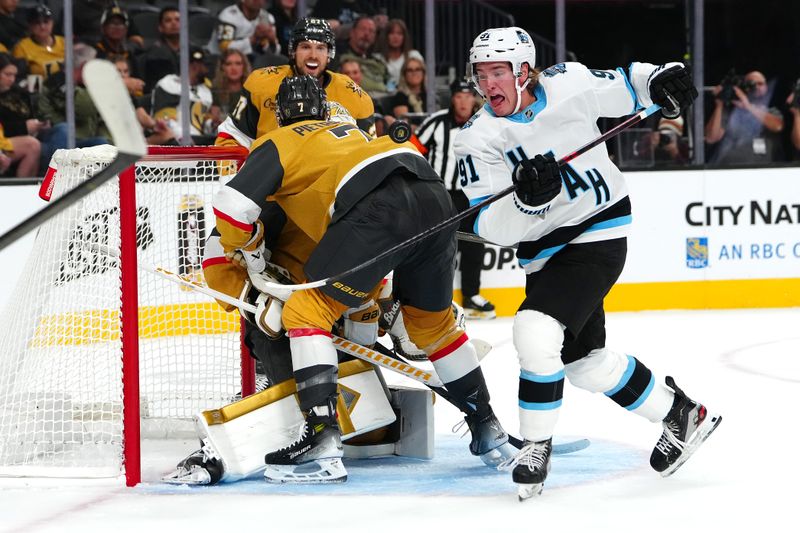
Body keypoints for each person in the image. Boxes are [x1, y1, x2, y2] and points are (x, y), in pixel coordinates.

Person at [453, 26, 722, 500]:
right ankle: (681, 413)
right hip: (543, 255)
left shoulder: (568, 82)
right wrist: (529, 203)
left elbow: (628, 83)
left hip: (599, 229)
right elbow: (489, 225)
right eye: (481, 74)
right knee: (585, 363)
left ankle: (535, 447)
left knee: (535, 331)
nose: (488, 83)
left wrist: (663, 79)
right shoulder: (476, 138)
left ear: (523, 71)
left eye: (498, 72)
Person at [205, 75, 513, 483]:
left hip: (375, 206)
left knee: (304, 311)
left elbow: (229, 206)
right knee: (433, 327)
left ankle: (321, 442)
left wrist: (252, 248)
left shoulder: (279, 141)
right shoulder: (349, 133)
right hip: (431, 192)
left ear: (279, 116)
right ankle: (488, 429)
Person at [215, 17, 374, 149]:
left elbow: (370, 153)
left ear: (329, 54)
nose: (313, 55)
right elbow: (230, 139)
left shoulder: (354, 95)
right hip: (272, 181)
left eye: (320, 48)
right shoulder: (261, 83)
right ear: (293, 51)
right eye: (305, 47)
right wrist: (239, 182)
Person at [415, 79, 495, 319]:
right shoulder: (436, 122)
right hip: (441, 194)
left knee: (474, 243)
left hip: (472, 195)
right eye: (459, 96)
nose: (463, 101)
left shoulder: (485, 124)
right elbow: (412, 150)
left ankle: (471, 296)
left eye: (468, 95)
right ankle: (434, 301)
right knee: (438, 248)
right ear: (452, 98)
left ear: (474, 98)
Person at [37, 43, 109, 148]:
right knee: (63, 130)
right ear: (84, 65)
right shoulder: (57, 82)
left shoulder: (85, 84)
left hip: (82, 141)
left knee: (101, 143)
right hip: (55, 141)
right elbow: (84, 109)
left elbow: (102, 120)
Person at [705, 70, 784, 165]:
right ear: (744, 87)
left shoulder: (771, 112)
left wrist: (748, 106)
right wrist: (719, 105)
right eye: (752, 84)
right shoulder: (730, 112)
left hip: (767, 170)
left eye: (760, 84)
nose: (757, 87)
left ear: (766, 87)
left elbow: (778, 126)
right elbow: (711, 138)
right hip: (732, 169)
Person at [146, 47, 213, 144]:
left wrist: (212, 125)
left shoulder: (205, 91)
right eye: (205, 65)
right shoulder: (170, 84)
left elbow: (200, 123)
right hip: (172, 140)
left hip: (197, 141)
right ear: (194, 66)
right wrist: (183, 138)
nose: (207, 69)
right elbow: (165, 121)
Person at [0, 52, 40, 176]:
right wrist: (23, 127)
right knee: (32, 145)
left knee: (60, 131)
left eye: (14, 75)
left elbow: (32, 115)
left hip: (28, 135)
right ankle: (21, 186)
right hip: (6, 138)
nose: (11, 79)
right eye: (7, 74)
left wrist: (39, 125)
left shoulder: (20, 93)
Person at [207, 0, 281, 61]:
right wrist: (254, 39)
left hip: (250, 61)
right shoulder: (228, 16)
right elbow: (225, 49)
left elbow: (272, 54)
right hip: (219, 60)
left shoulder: (267, 18)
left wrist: (272, 41)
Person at [334, 16, 388, 95]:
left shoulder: (378, 62)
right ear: (352, 32)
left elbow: (391, 83)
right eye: (363, 29)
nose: (367, 34)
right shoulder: (337, 56)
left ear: (374, 37)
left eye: (371, 31)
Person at [12, 5, 64, 82]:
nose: (42, 26)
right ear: (30, 26)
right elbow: (19, 78)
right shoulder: (22, 48)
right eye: (37, 23)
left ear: (52, 23)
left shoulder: (65, 42)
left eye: (46, 22)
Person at [372, 18, 422, 92]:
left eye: (399, 33)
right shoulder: (377, 59)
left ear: (404, 37)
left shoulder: (414, 56)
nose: (395, 37)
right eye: (392, 33)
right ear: (386, 36)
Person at [210, 48, 251, 131]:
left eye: (238, 63)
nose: (233, 68)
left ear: (244, 67)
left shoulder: (251, 92)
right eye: (228, 64)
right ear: (222, 68)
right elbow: (214, 119)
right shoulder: (215, 92)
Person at [389, 57, 427, 121]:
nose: (414, 73)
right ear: (404, 75)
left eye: (418, 69)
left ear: (423, 73)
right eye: (410, 70)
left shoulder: (429, 95)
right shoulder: (400, 97)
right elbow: (405, 125)